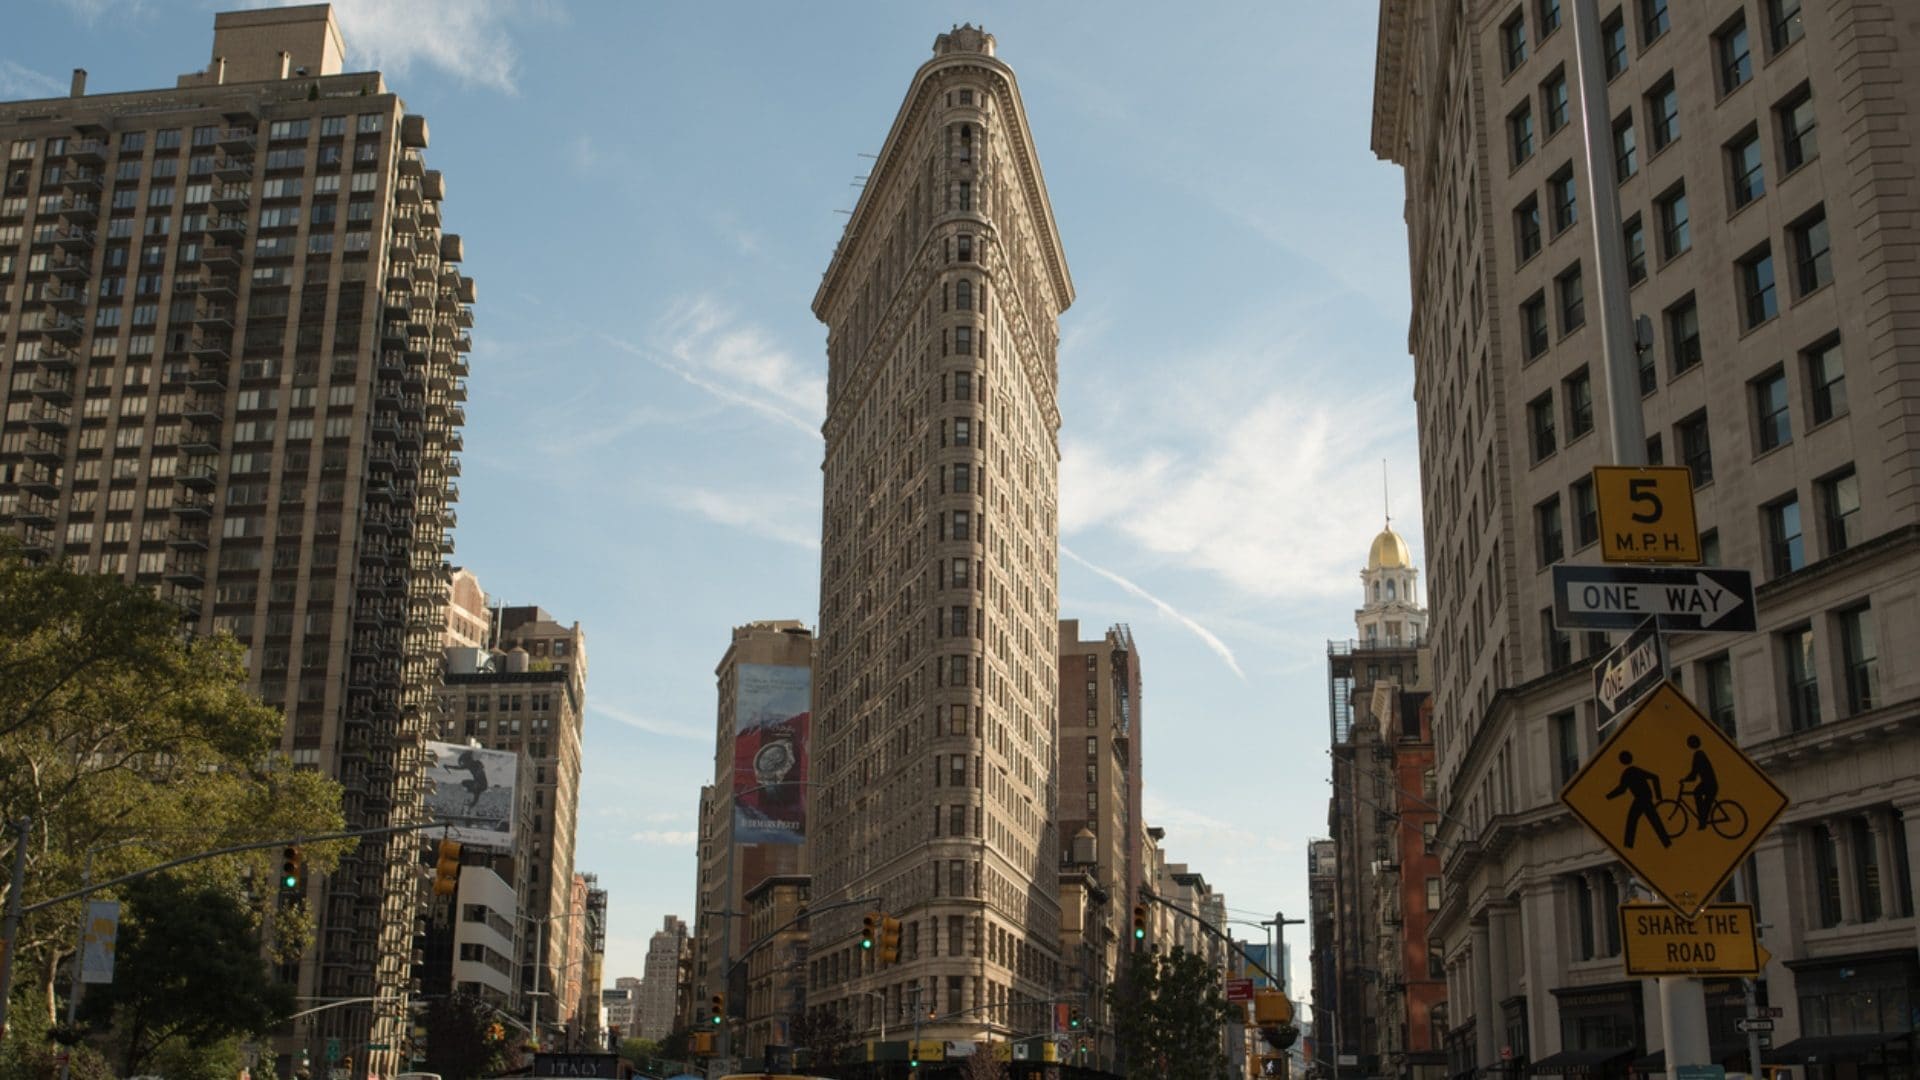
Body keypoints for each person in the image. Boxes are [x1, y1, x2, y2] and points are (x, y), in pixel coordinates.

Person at [1604, 750, 1672, 849]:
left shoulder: (1628, 772)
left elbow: (1622, 790)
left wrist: (1607, 797)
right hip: (1645, 798)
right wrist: (1658, 796)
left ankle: (1628, 845)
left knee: (1633, 820)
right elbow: (1655, 777)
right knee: (1653, 820)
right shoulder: (1634, 770)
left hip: (1641, 799)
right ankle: (1666, 843)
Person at [1679, 734, 1719, 830]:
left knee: (1697, 794)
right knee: (1698, 794)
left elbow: (1694, 773)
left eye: (1690, 743)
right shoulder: (1699, 754)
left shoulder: (1699, 755)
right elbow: (1694, 774)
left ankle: (1703, 821)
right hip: (1708, 784)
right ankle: (1702, 820)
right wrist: (1687, 779)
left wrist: (1685, 779)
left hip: (1710, 785)